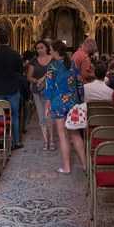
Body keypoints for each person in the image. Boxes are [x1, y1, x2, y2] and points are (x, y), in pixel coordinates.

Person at [44, 41, 88, 173]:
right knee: (75, 135)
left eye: (51, 50)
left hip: (58, 103)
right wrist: (80, 100)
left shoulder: (52, 66)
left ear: (56, 51)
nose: (49, 52)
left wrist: (47, 103)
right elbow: (79, 83)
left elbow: (49, 87)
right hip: (73, 102)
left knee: (62, 136)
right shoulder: (72, 64)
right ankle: (86, 166)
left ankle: (67, 167)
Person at [0, 33, 26, 149]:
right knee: (14, 115)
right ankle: (16, 141)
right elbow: (20, 72)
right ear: (9, 40)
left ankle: (1, 141)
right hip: (13, 88)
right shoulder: (15, 54)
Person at [27, 40, 55, 150]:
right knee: (41, 116)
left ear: (46, 48)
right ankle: (45, 141)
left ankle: (52, 140)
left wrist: (46, 80)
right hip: (37, 91)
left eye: (41, 47)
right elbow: (29, 76)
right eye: (37, 48)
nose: (39, 50)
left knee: (49, 116)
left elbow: (55, 73)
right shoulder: (34, 61)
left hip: (50, 91)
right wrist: (36, 80)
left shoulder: (52, 60)